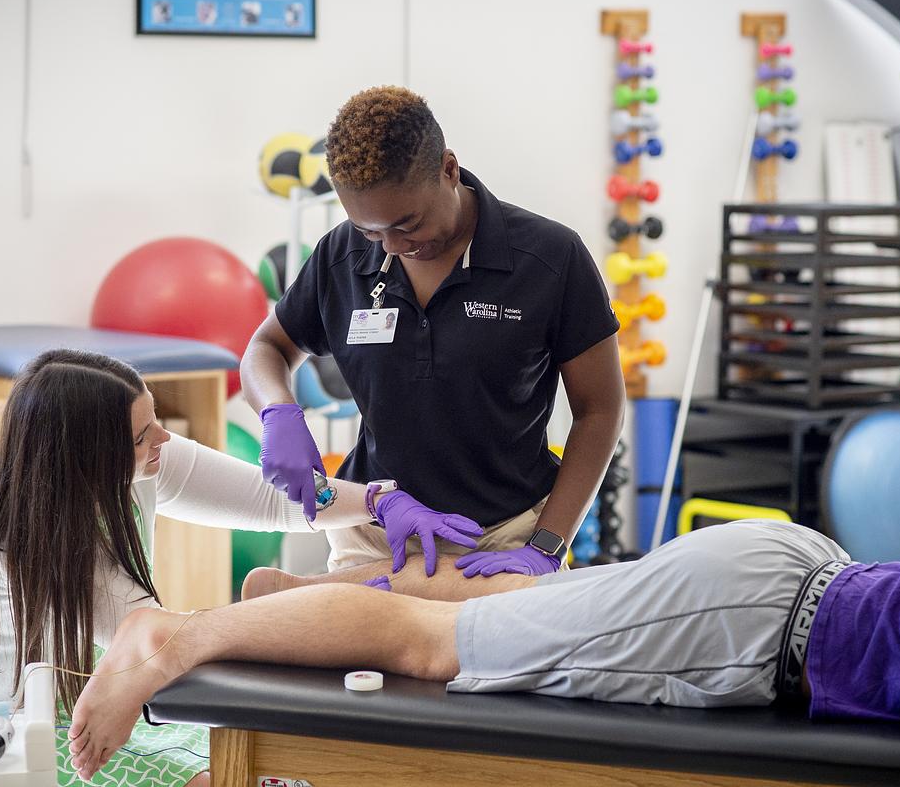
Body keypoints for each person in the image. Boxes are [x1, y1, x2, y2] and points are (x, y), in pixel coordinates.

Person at [67, 519, 900, 780]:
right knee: (437, 643)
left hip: (797, 574)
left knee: (537, 602)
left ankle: (297, 601)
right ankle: (173, 635)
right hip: (755, 626)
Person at [0, 349, 475, 787]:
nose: (163, 437)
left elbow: (273, 497)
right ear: (86, 458)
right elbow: (163, 643)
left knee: (259, 757)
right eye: (142, 435)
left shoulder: (140, 458)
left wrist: (376, 499)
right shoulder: (37, 544)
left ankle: (300, 593)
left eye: (155, 417)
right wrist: (328, 610)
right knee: (223, 774)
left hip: (61, 697)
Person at [241, 85, 625, 579]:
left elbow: (600, 410)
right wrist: (277, 411)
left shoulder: (549, 258)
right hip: (376, 532)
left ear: (448, 169)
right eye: (371, 230)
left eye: (409, 223)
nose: (394, 246)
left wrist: (546, 545)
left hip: (503, 535)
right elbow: (266, 347)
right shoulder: (343, 256)